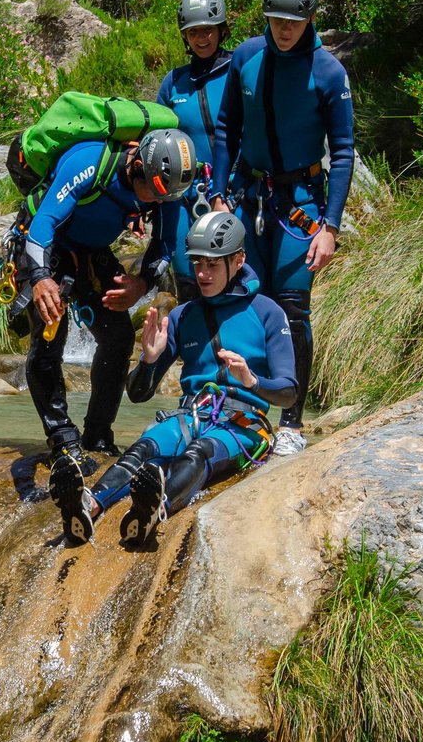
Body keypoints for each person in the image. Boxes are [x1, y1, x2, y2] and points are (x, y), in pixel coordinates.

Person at [49, 211, 297, 546]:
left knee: (198, 453)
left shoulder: (268, 312)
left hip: (244, 424)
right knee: (141, 451)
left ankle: (154, 509)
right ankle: (87, 505)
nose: (202, 274)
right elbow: (138, 394)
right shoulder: (182, 316)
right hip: (190, 415)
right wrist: (149, 359)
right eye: (197, 264)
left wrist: (252, 381)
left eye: (212, 265)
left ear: (238, 260)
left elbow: (289, 393)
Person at [210, 0, 354, 456]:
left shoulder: (328, 72)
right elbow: (226, 126)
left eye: (293, 20)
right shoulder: (247, 57)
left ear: (311, 16)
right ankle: (249, 414)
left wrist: (330, 225)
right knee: (250, 301)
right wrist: (220, 192)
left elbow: (343, 149)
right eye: (276, 20)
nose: (284, 29)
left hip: (300, 205)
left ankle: (291, 422)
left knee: (292, 308)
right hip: (249, 196)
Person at [17, 128, 197, 475]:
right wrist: (39, 278)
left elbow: (164, 246)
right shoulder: (89, 163)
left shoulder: (165, 189)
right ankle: (62, 440)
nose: (159, 203)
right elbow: (43, 226)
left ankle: (97, 435)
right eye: (156, 194)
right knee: (51, 332)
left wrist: (142, 282)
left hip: (90, 252)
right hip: (43, 246)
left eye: (167, 197)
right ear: (137, 167)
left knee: (118, 337)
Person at [156, 0, 234, 302]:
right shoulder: (173, 83)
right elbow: (157, 145)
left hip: (232, 190)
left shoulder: (237, 70)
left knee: (232, 279)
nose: (202, 38)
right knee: (189, 284)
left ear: (222, 30)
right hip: (183, 196)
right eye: (194, 32)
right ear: (185, 37)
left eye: (208, 30)